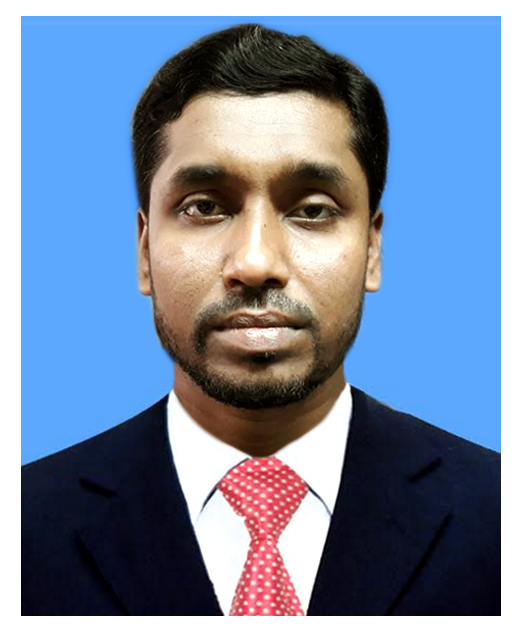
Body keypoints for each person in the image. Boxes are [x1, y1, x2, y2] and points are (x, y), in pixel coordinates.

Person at [22, 24, 500, 616]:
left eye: (312, 210)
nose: (255, 263)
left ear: (372, 250)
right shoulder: (22, 529)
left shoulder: (503, 516)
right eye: (204, 207)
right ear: (144, 252)